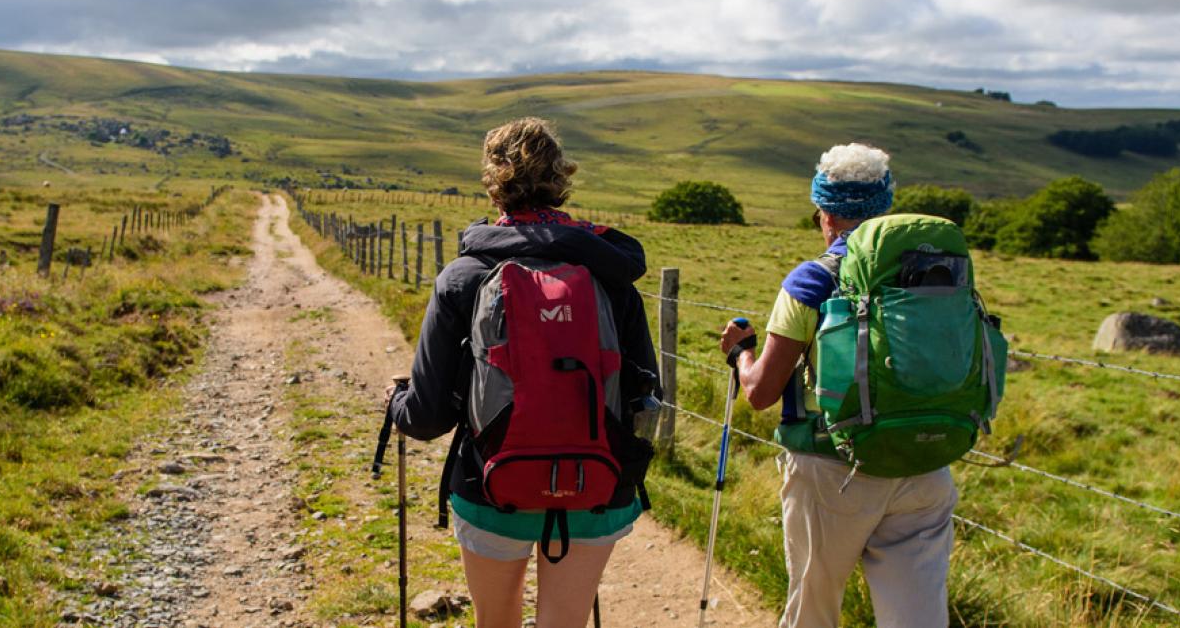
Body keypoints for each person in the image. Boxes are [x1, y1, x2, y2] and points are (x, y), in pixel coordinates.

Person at [391, 117, 659, 628]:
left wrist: (396, 402)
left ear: (494, 186)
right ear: (560, 181)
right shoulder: (611, 275)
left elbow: (425, 418)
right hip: (596, 484)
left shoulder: (463, 277)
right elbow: (644, 392)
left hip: (491, 481)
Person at [717, 144, 957, 628]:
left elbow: (761, 392)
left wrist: (741, 352)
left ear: (825, 212)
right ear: (885, 207)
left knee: (814, 611)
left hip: (835, 469)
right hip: (927, 464)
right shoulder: (939, 272)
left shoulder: (812, 280)